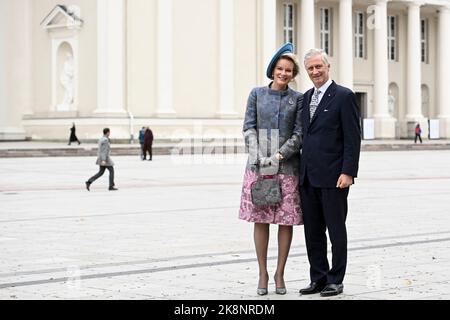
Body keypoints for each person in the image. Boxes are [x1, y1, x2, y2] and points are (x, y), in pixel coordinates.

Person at [239, 43, 303, 296]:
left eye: (288, 70)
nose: (284, 73)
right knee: (261, 220)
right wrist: (258, 156)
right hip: (259, 168)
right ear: (272, 69)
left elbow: (299, 134)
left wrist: (278, 154)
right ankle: (262, 273)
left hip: (287, 167)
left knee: (285, 222)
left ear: (293, 74)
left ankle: (280, 273)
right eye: (280, 68)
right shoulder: (256, 94)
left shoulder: (297, 100)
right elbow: (248, 127)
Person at [298, 49, 361, 297]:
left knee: (336, 230)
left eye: (318, 67)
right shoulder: (305, 98)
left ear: (328, 67)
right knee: (313, 232)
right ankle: (319, 278)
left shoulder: (343, 96)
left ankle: (336, 279)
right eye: (310, 69)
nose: (315, 72)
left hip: (334, 177)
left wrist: (348, 171)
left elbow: (352, 138)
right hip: (308, 177)